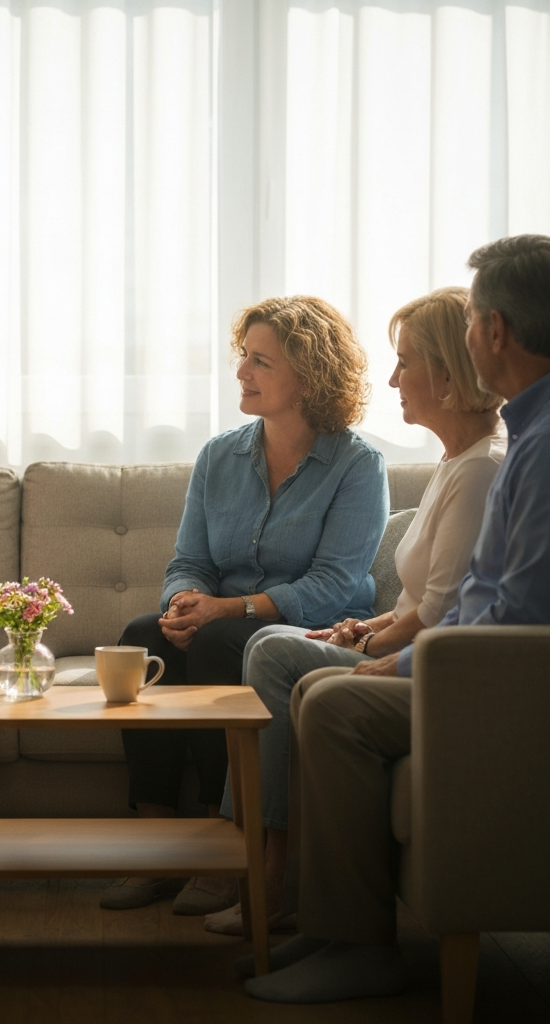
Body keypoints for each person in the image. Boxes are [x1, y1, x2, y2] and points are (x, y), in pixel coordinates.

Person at [242, 234, 550, 1003]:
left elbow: (517, 609)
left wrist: (403, 660)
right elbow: (482, 593)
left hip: (495, 683)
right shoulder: (527, 436)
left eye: (476, 316)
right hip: (469, 664)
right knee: (317, 687)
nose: (394, 377)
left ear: (494, 332)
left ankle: (355, 943)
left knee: (331, 699)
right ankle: (334, 925)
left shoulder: (530, 451)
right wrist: (380, 639)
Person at [205, 286, 506, 936]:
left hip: (437, 668)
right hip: (403, 642)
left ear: (449, 373)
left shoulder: (480, 471)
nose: (393, 377)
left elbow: (439, 616)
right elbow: (426, 604)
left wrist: (370, 648)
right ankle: (261, 869)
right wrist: (366, 628)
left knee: (269, 647)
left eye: (407, 362)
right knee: (228, 642)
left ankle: (270, 870)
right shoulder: (455, 464)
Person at [101, 296, 389, 913]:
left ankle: (225, 848)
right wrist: (182, 601)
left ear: (309, 376)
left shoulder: (358, 465)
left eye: (260, 361)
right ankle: (155, 848)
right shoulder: (219, 455)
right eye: (244, 357)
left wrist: (227, 611)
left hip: (306, 626)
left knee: (219, 640)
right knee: (140, 635)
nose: (241, 372)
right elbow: (190, 561)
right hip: (218, 619)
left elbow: (336, 583)